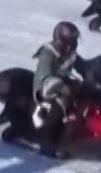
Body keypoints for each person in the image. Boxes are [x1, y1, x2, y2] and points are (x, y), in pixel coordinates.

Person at [31, 22, 95, 156]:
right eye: (70, 41)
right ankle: (46, 143)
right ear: (61, 40)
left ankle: (76, 133)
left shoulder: (70, 53)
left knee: (85, 97)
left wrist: (97, 72)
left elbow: (83, 66)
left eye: (74, 41)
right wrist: (62, 86)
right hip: (46, 89)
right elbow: (44, 76)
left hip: (62, 85)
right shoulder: (48, 53)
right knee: (59, 106)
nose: (73, 44)